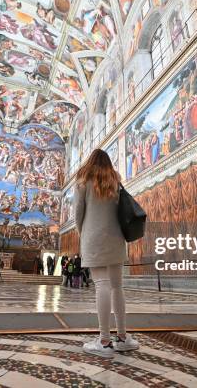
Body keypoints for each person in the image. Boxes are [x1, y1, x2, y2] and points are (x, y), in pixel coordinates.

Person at [74, 149, 139, 358]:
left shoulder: (83, 179)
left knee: (101, 284)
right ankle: (122, 338)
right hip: (116, 238)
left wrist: (81, 233)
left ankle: (104, 341)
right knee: (117, 286)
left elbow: (78, 212)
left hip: (93, 237)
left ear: (90, 161)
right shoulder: (115, 179)